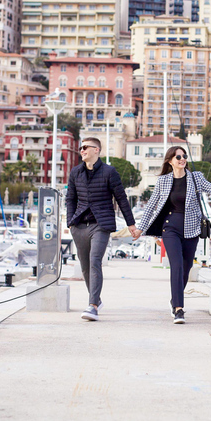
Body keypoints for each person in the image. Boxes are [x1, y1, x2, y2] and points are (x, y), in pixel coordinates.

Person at [133, 146, 211, 324]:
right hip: (170, 228)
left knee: (186, 269)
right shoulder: (163, 181)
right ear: (170, 161)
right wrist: (140, 228)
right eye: (178, 156)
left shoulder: (196, 178)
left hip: (191, 229)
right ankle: (179, 309)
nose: (182, 159)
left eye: (184, 156)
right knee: (177, 265)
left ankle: (174, 299)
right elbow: (151, 206)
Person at [66, 137, 137, 321]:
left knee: (94, 260)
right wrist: (70, 223)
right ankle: (96, 297)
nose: (81, 150)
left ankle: (92, 306)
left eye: (85, 147)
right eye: (81, 148)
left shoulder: (109, 172)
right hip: (79, 224)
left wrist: (131, 225)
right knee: (84, 267)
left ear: (96, 150)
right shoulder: (75, 172)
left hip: (101, 224)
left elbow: (121, 199)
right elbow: (70, 199)